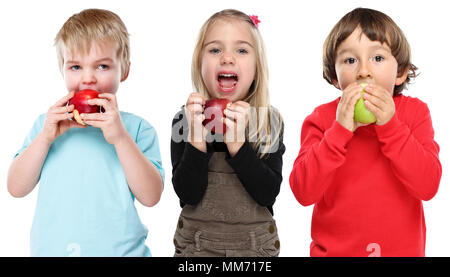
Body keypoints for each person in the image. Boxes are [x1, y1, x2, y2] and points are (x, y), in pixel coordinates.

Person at [7, 9, 164, 257]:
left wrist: (121, 138)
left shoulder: (137, 129)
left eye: (102, 66)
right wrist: (45, 138)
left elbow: (151, 196)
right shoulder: (46, 126)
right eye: (76, 67)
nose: (88, 78)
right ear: (62, 70)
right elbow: (16, 188)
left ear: (124, 70)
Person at [289, 7, 442, 257]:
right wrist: (339, 132)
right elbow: (303, 192)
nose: (363, 71)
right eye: (350, 60)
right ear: (335, 78)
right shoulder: (322, 120)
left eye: (378, 58)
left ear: (400, 73)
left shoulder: (415, 113)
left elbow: (428, 186)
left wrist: (391, 127)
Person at [171, 9, 284, 257]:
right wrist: (197, 140)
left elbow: (267, 193)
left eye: (241, 50)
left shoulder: (268, 120)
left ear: (257, 66)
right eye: (215, 50)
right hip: (196, 248)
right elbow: (187, 194)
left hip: (255, 249)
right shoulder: (185, 119)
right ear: (199, 63)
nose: (227, 58)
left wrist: (238, 144)